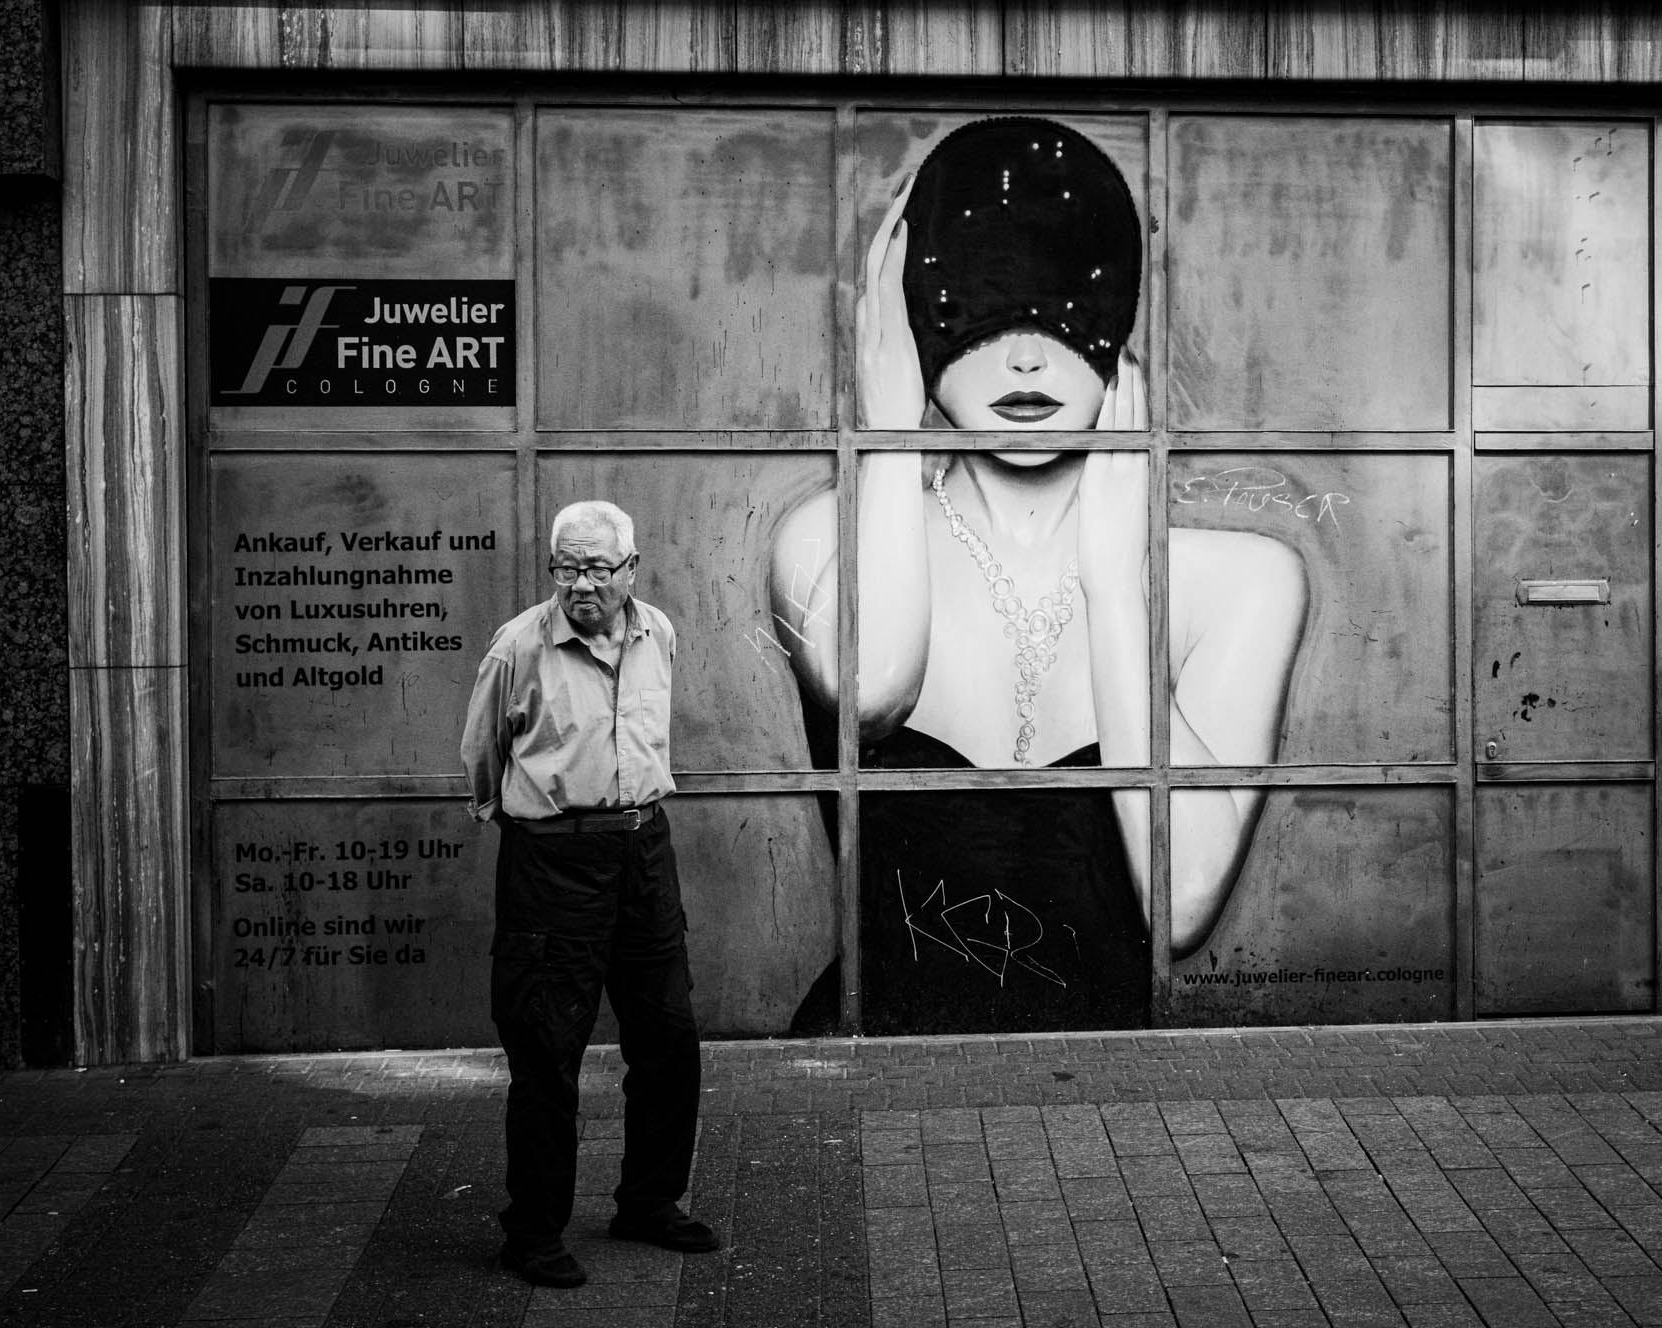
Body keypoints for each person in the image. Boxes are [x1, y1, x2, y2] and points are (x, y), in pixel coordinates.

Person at [770, 118, 1307, 1034]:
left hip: (1108, 1108)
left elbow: (1179, 911)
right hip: (867, 1078)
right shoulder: (826, 537)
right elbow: (870, 696)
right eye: (974, 306)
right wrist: (891, 433)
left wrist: (1113, 586)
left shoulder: (1243, 582)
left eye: (1064, 307)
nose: (1024, 355)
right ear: (904, 326)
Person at [460, 499, 718, 1289]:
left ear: (631, 570)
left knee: (668, 1036)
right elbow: (481, 756)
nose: (581, 583)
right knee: (546, 1052)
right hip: (552, 866)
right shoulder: (518, 646)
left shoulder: (659, 633)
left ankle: (648, 1201)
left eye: (598, 567)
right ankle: (533, 1231)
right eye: (566, 567)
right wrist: (539, 827)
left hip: (643, 851)